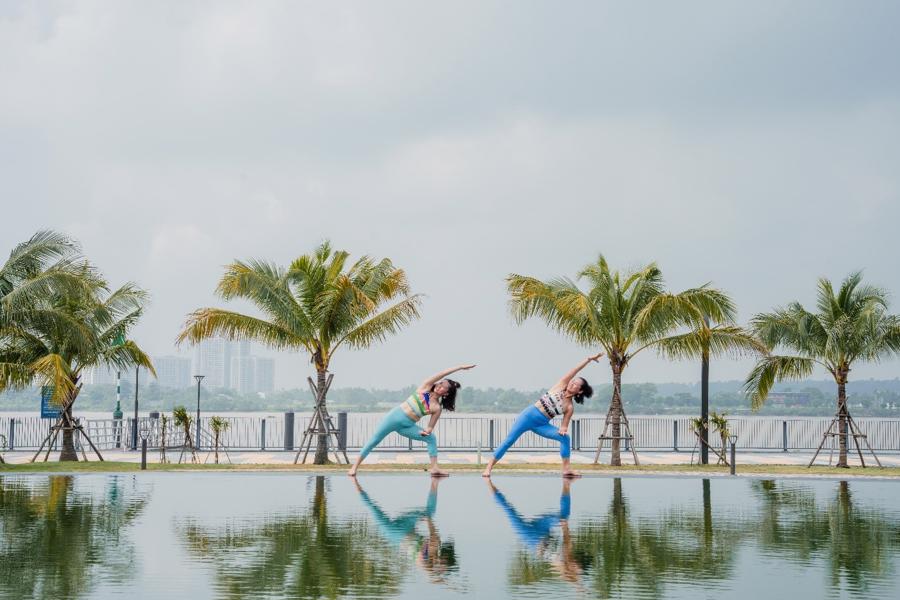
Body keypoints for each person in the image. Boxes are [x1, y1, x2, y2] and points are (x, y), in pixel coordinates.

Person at [481, 353, 601, 478]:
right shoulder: (561, 385)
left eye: (576, 384)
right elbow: (575, 370)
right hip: (527, 417)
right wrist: (588, 360)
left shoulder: (569, 407)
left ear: (580, 391)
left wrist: (563, 429)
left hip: (542, 424)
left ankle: (566, 469)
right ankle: (488, 468)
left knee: (565, 438)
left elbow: (564, 426)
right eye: (573, 381)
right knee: (509, 441)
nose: (572, 383)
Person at [348, 364, 476, 477]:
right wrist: (459, 367)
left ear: (446, 393)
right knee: (374, 440)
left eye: (444, 387)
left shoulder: (436, 408)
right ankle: (354, 468)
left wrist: (427, 431)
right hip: (394, 418)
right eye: (441, 383)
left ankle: (435, 468)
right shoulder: (425, 388)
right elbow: (442, 373)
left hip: (407, 426)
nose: (440, 386)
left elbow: (430, 427)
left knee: (431, 438)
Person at [353, 477, 458, 584]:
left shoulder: (429, 560)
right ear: (444, 557)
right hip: (397, 533)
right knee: (372, 508)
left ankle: (435, 482)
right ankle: (354, 482)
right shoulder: (433, 552)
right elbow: (429, 573)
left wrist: (436, 576)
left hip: (398, 532)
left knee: (373, 508)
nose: (439, 566)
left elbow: (429, 573)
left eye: (440, 568)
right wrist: (428, 520)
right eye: (442, 565)